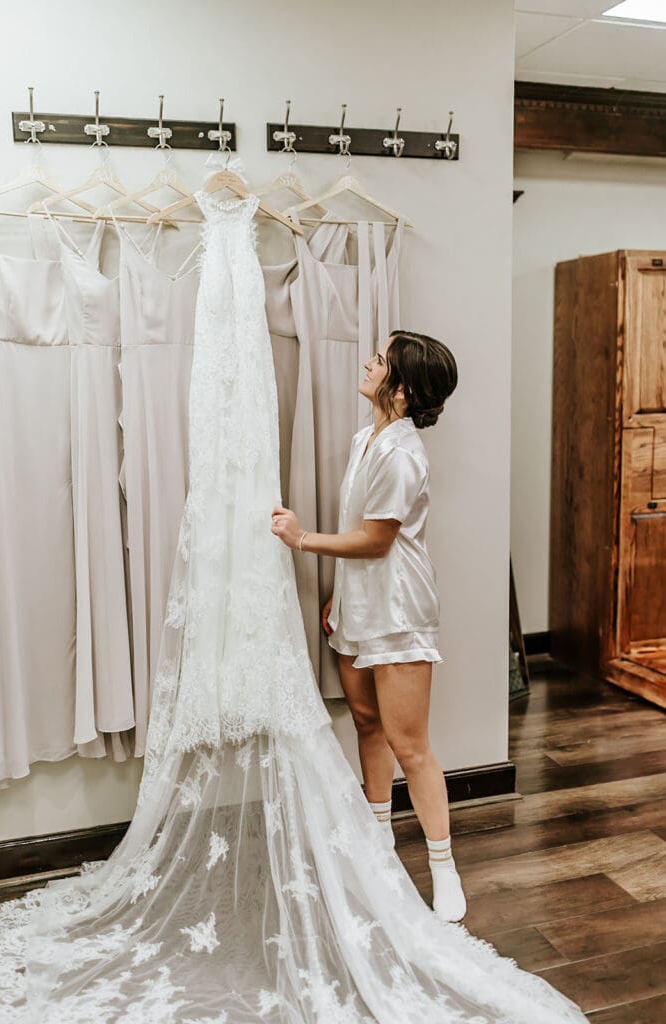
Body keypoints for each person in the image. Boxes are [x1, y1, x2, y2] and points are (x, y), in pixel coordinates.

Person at [271, 328, 465, 922]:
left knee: (411, 745)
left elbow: (378, 541)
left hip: (398, 609)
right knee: (366, 723)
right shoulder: (366, 438)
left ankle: (442, 868)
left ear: (400, 391)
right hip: (357, 603)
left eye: (380, 361)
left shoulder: (403, 454)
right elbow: (359, 529)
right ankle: (380, 841)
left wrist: (300, 540)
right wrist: (339, 595)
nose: (368, 362)